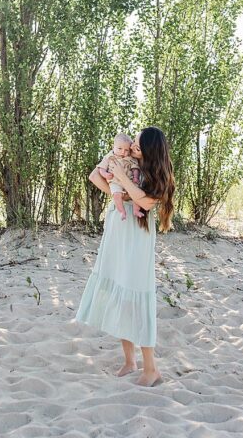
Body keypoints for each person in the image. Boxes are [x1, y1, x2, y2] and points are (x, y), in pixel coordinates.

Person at [75, 127, 175, 387]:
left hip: (137, 235)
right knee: (120, 290)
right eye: (133, 145)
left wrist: (124, 181)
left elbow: (148, 203)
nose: (131, 149)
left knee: (137, 294)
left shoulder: (155, 174)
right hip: (118, 228)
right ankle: (130, 361)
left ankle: (151, 369)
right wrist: (122, 192)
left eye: (138, 147)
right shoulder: (123, 161)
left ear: (150, 152)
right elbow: (95, 176)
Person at [96, 132, 144, 220]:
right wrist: (105, 174)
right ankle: (122, 211)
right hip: (115, 181)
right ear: (113, 147)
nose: (123, 152)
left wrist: (136, 177)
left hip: (129, 181)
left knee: (136, 194)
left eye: (126, 150)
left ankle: (136, 210)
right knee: (116, 195)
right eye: (119, 148)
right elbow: (101, 168)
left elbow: (135, 168)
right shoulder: (109, 157)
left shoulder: (130, 158)